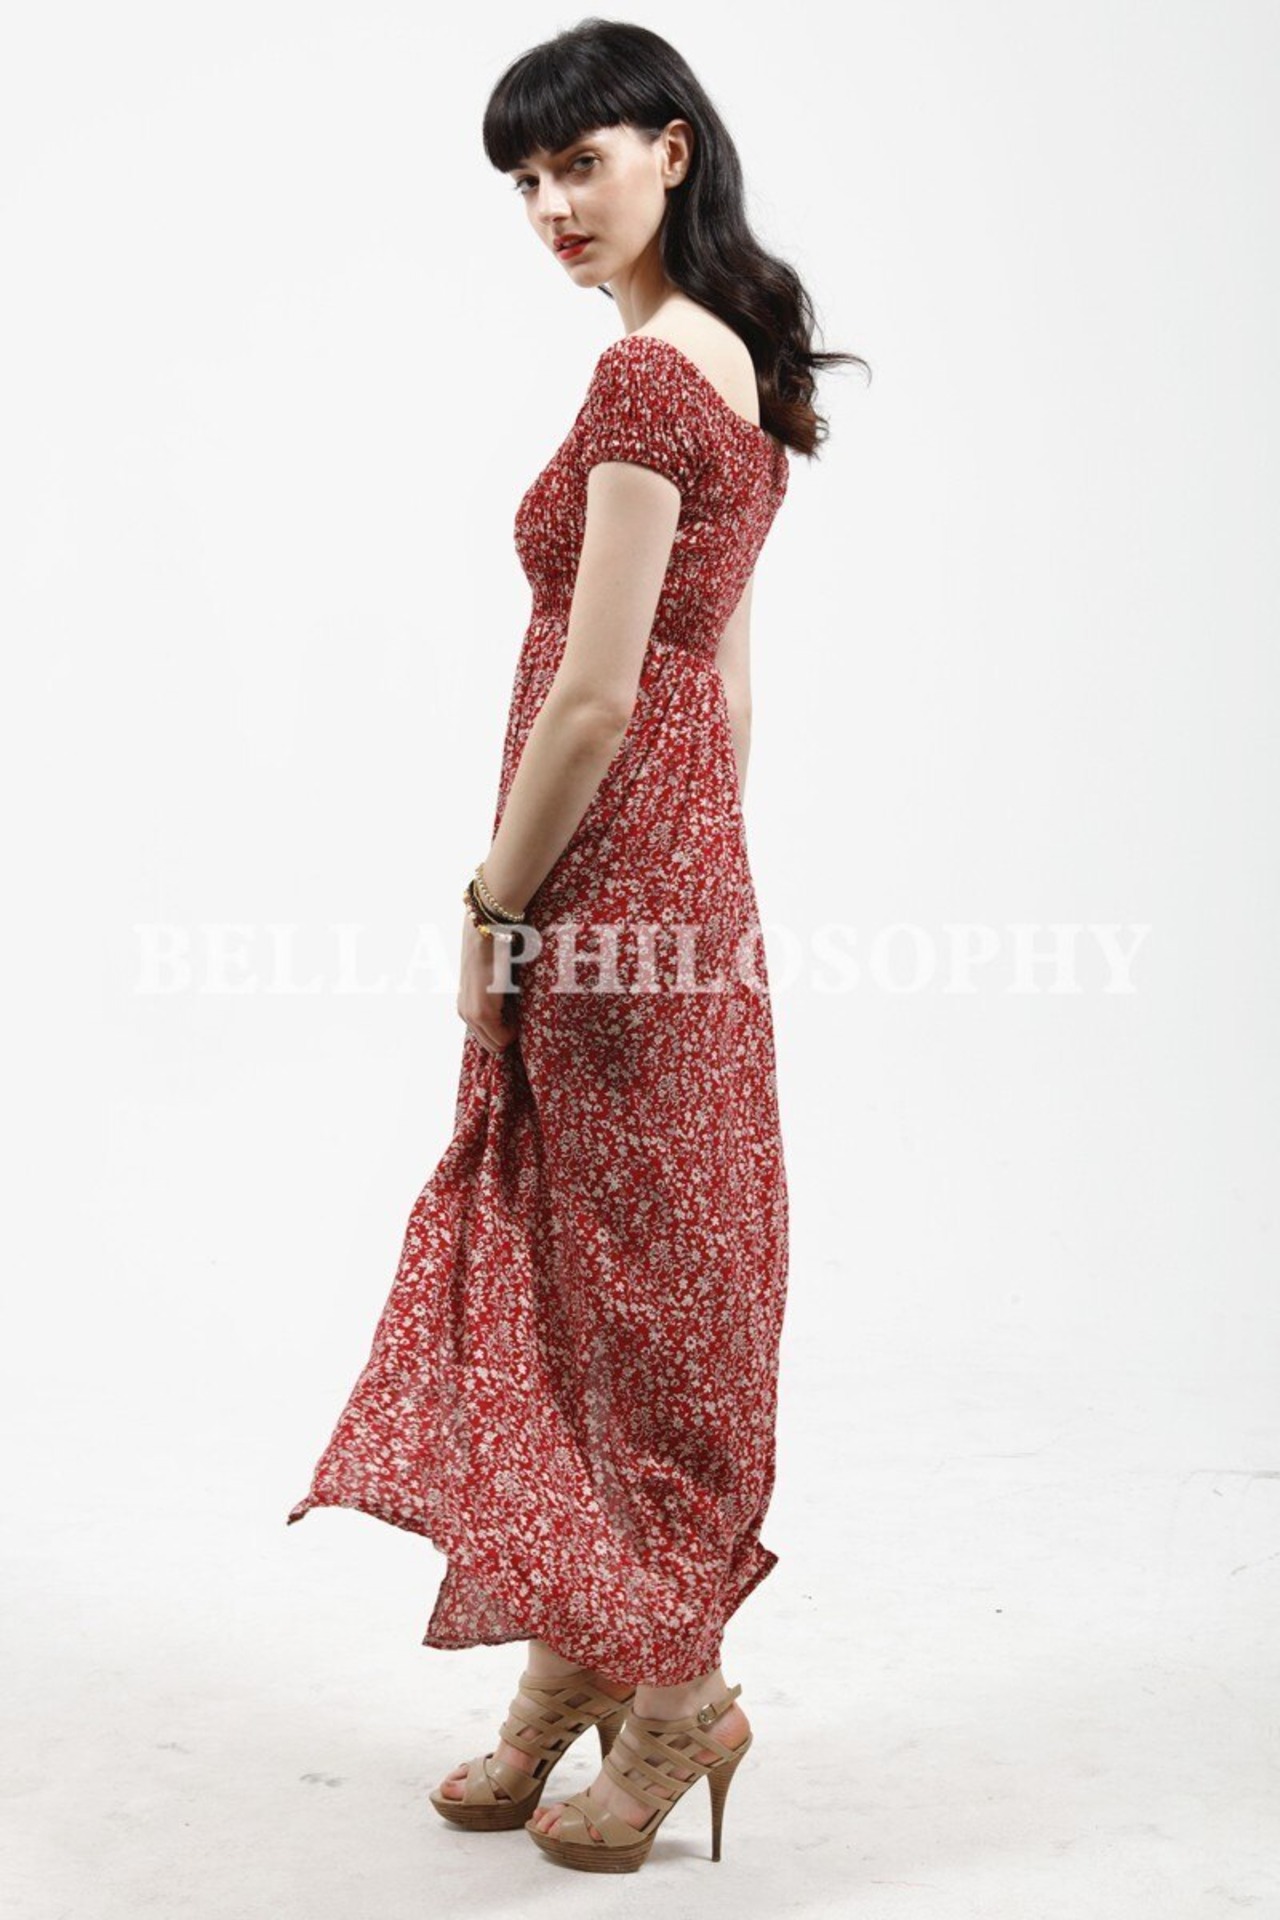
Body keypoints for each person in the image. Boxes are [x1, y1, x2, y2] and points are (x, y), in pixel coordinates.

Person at [285, 18, 868, 1876]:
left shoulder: (640, 385)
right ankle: (577, 1658)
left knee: (610, 1271)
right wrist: (694, 880)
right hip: (689, 877)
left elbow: (602, 696)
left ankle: (677, 1688)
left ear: (672, 151)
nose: (551, 205)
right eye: (526, 180)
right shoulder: (742, 370)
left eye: (581, 163)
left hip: (600, 877)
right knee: (619, 1259)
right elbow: (729, 695)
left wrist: (497, 907)